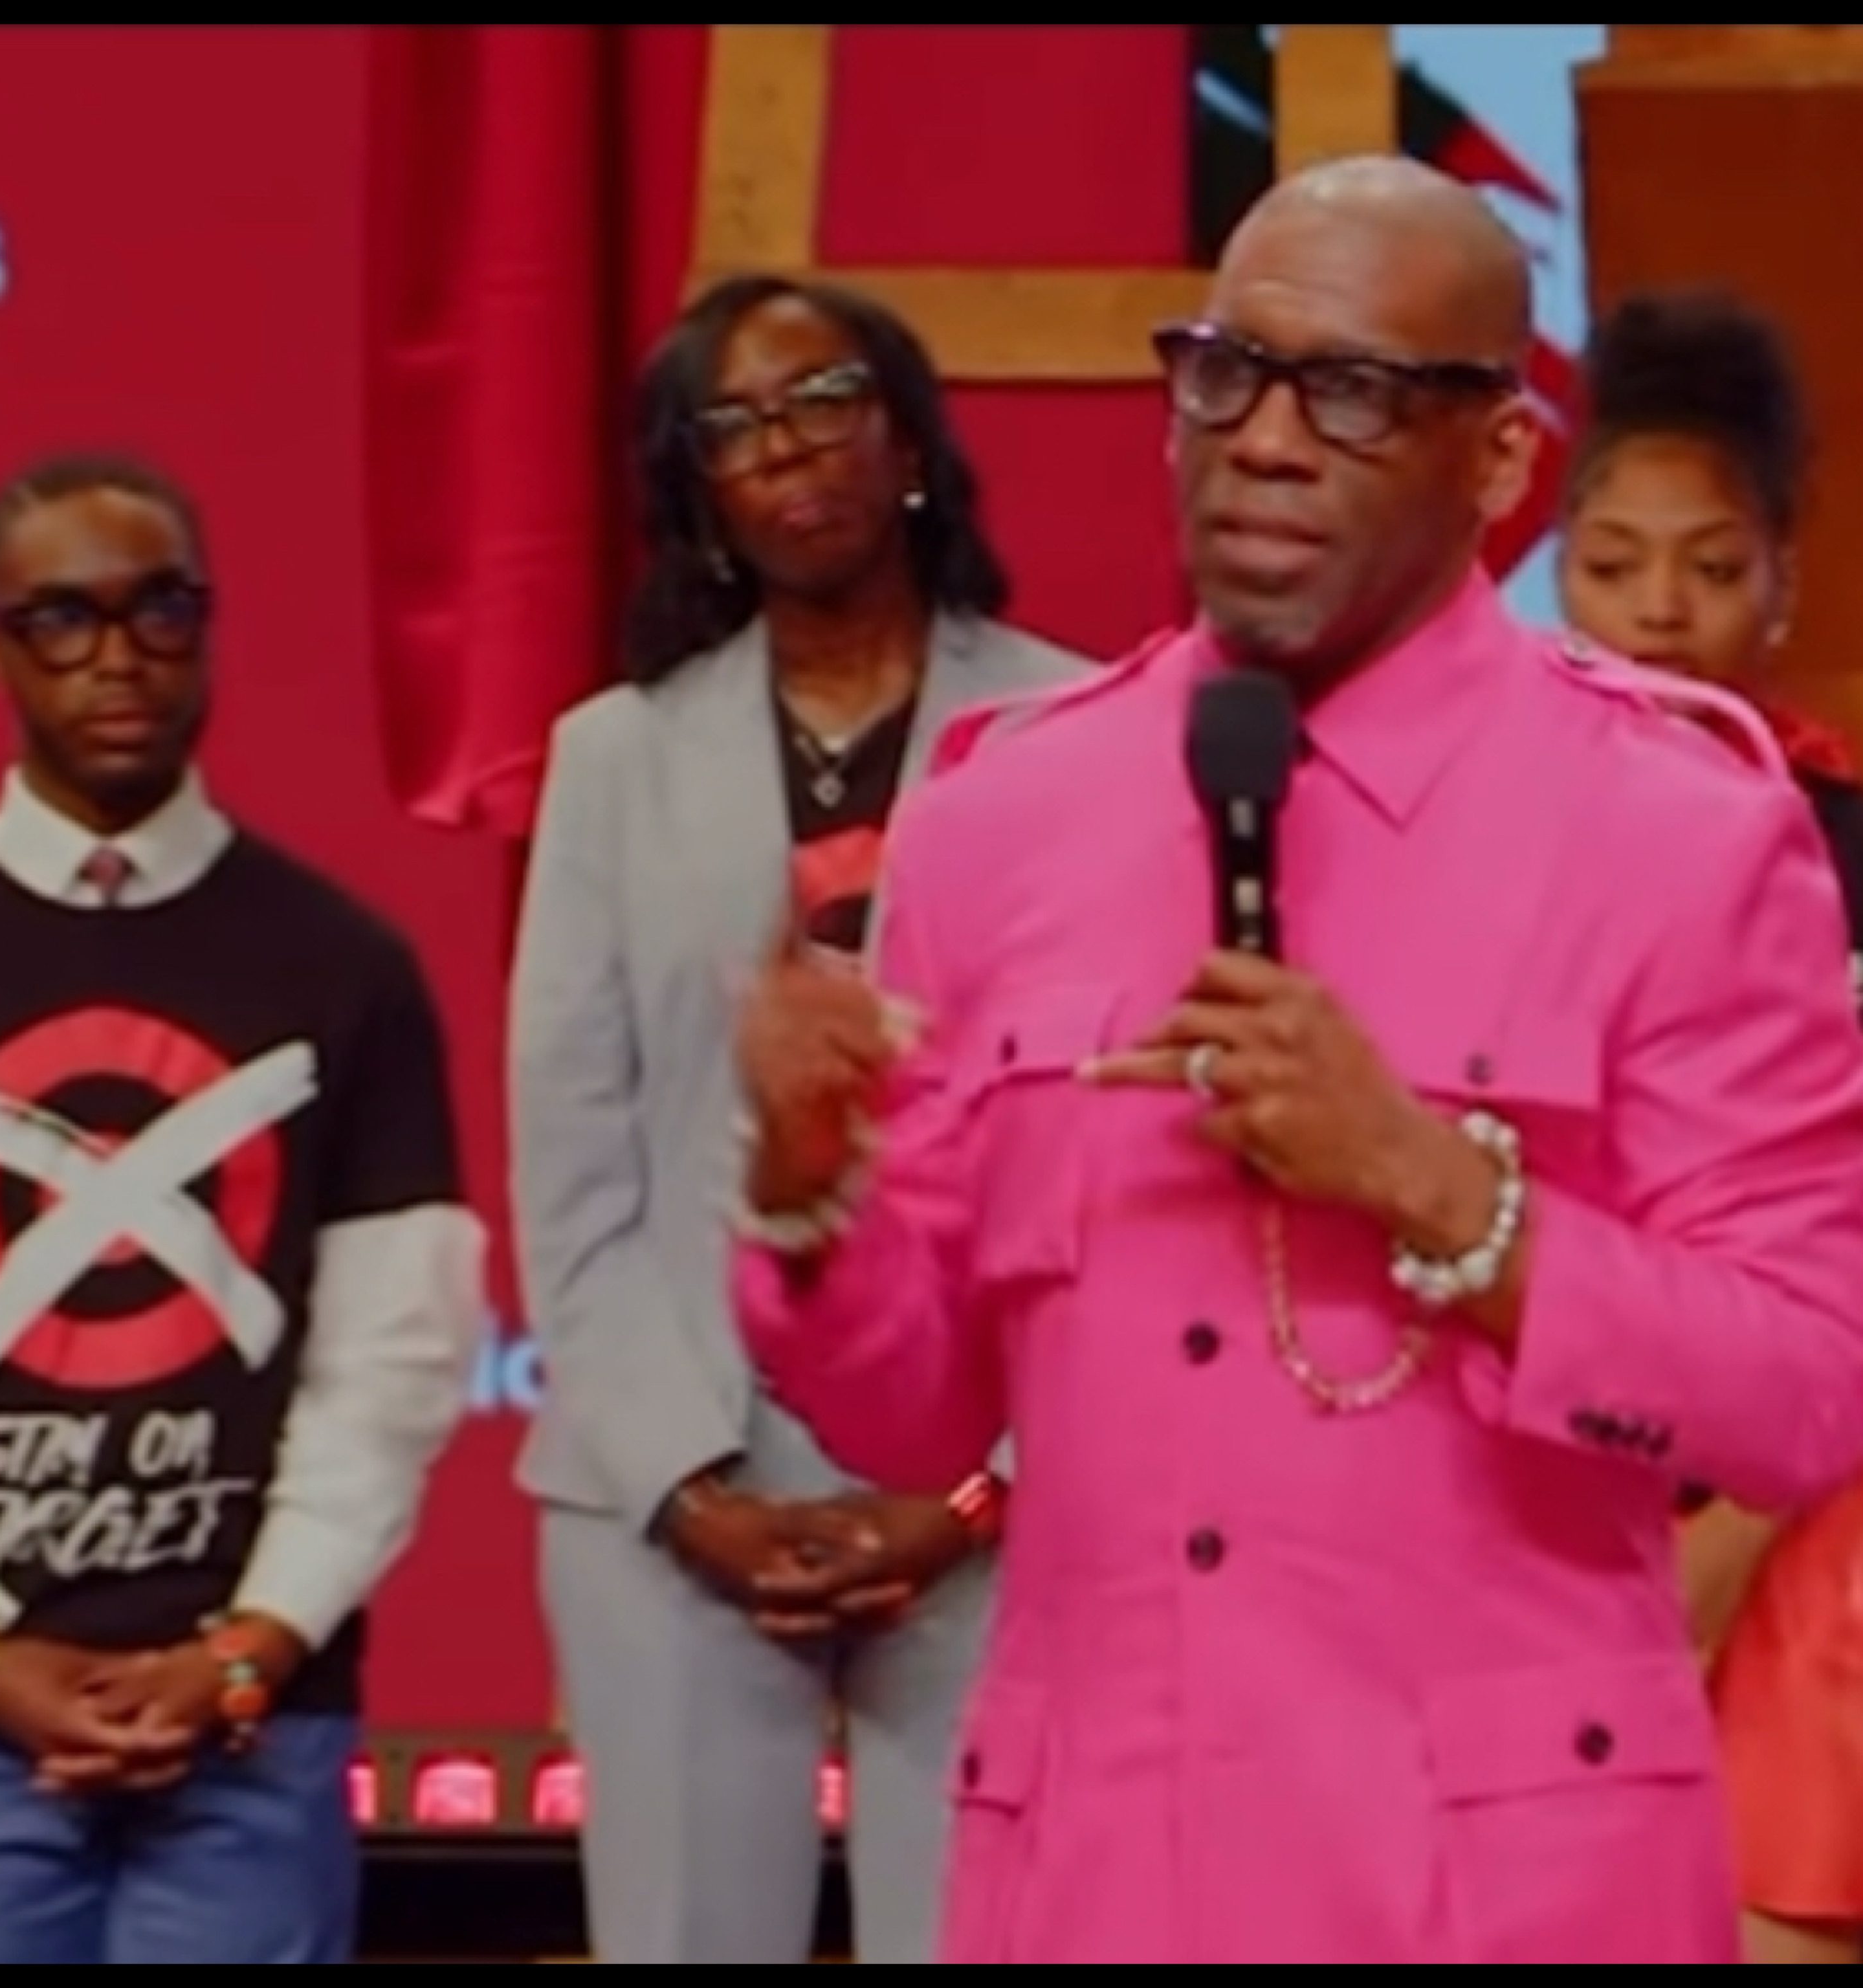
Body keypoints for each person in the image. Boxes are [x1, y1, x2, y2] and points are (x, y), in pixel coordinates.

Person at [727, 157, 1863, 1965]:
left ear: (1497, 461)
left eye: (1348, 392)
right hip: (1100, 1877)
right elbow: (914, 1418)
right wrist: (812, 1195)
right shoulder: (1000, 818)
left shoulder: (1677, 831)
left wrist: (1441, 1191)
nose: (1264, 442)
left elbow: (1807, 1393)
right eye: (1224, 376)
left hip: (1500, 1895)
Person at [509, 274, 1088, 1965]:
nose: (786, 448)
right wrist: (687, 1493)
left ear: (906, 442)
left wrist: (975, 1493)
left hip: (1001, 1495)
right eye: (737, 425)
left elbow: (1105, 1154)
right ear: (697, 490)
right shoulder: (613, 761)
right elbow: (573, 1167)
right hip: (679, 1491)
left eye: (824, 401)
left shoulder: (1074, 735)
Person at [0, 453, 487, 1964]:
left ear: (209, 625)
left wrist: (247, 1649)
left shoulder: (343, 966)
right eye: (61, 618)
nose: (117, 657)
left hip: (255, 1730)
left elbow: (393, 1367)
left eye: (159, 610)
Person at [1554, 289, 1863, 1963]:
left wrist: (1737, 1537)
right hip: (1532, 1508)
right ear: (1553, 578)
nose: (1659, 610)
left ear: (1781, 587)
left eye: (1711, 567)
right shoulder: (1475, 837)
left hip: (1805, 1516)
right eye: (1613, 565)